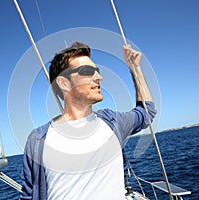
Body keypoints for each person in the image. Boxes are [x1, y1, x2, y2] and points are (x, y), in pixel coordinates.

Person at [20, 41, 156, 200]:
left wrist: (135, 68)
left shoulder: (112, 122)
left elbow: (147, 112)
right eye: (87, 71)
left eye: (97, 71)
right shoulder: (38, 140)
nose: (99, 77)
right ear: (64, 82)